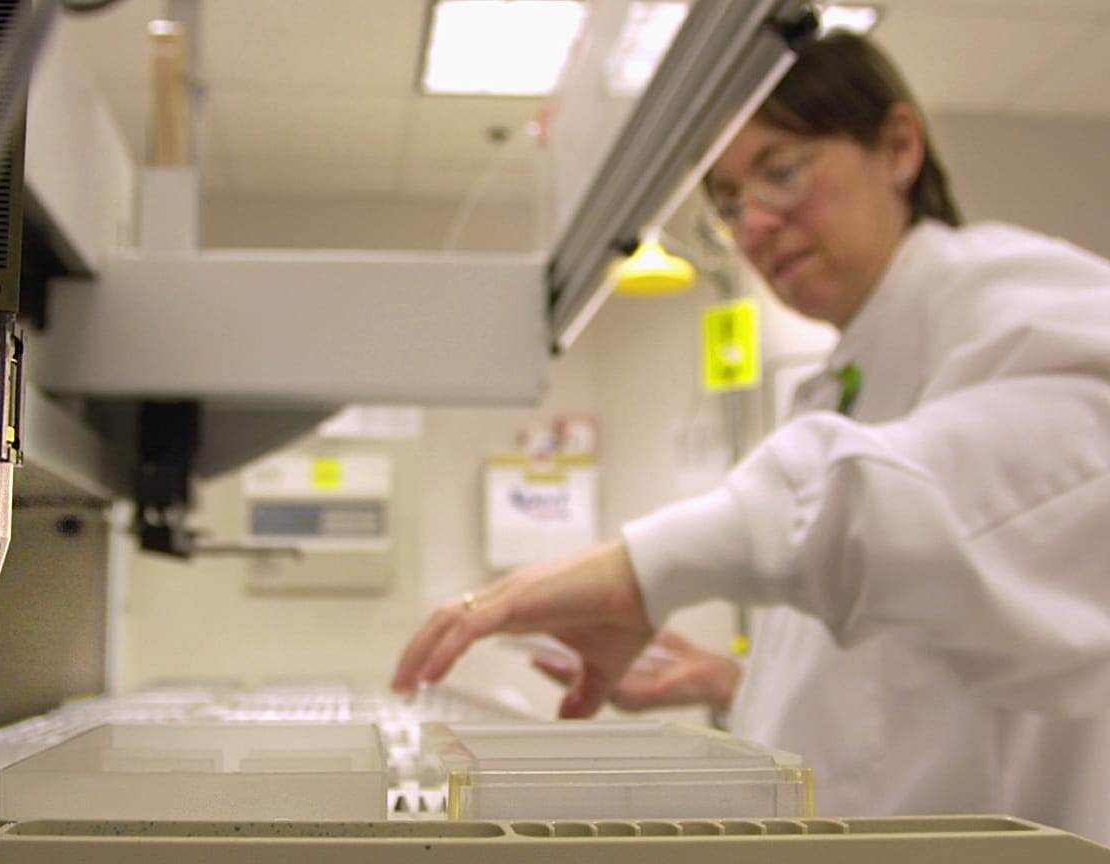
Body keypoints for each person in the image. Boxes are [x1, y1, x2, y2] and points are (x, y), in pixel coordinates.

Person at [392, 30, 1110, 844]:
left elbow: (909, 509)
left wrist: (643, 569)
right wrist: (734, 682)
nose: (758, 223)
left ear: (898, 147)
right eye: (730, 204)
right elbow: (902, 666)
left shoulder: (1028, 305)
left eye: (782, 170)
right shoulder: (844, 373)